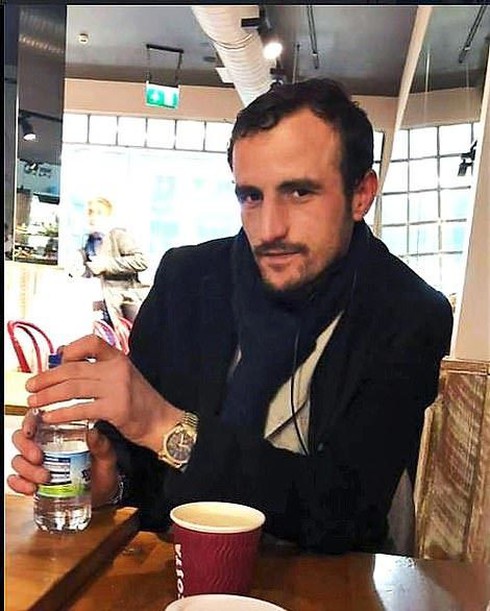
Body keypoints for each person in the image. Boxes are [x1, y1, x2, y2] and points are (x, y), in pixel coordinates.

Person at [8, 78, 453, 556]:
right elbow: (143, 469)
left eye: (299, 192)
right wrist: (109, 480)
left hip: (325, 582)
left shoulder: (409, 314)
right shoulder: (188, 279)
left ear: (361, 194)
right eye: (251, 197)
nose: (269, 229)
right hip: (176, 569)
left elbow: (348, 510)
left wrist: (168, 427)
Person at [79, 196, 149, 325]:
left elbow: (141, 261)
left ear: (108, 217)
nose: (93, 217)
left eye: (99, 213)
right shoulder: (89, 241)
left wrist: (106, 265)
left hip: (123, 303)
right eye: (90, 212)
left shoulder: (118, 235)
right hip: (102, 304)